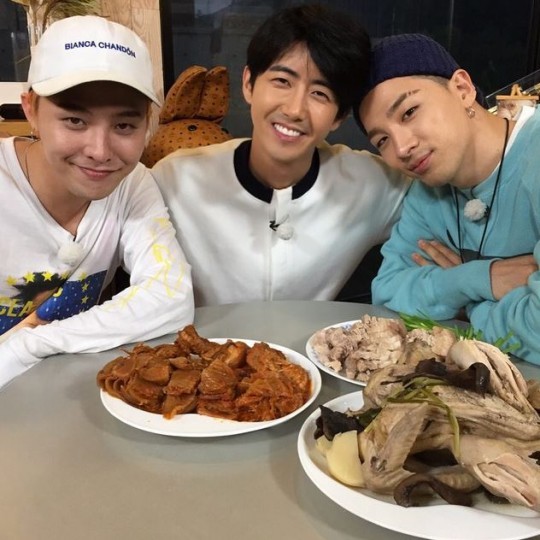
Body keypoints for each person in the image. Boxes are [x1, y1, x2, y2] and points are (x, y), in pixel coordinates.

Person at [152, 4, 409, 307]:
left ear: (339, 117)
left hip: (311, 338)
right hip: (204, 338)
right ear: (248, 84)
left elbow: (442, 200)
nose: (294, 109)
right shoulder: (175, 180)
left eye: (320, 94)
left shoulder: (371, 184)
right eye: (282, 81)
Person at [0, 16, 194, 388]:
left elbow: (171, 297)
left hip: (59, 393)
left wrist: (26, 345)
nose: (100, 152)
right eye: (75, 120)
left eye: (124, 126)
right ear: (30, 110)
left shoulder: (131, 183)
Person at [356, 33, 540, 363]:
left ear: (462, 89)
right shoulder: (428, 192)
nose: (402, 148)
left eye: (409, 112)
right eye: (382, 140)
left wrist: (467, 309)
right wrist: (479, 279)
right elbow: (387, 295)